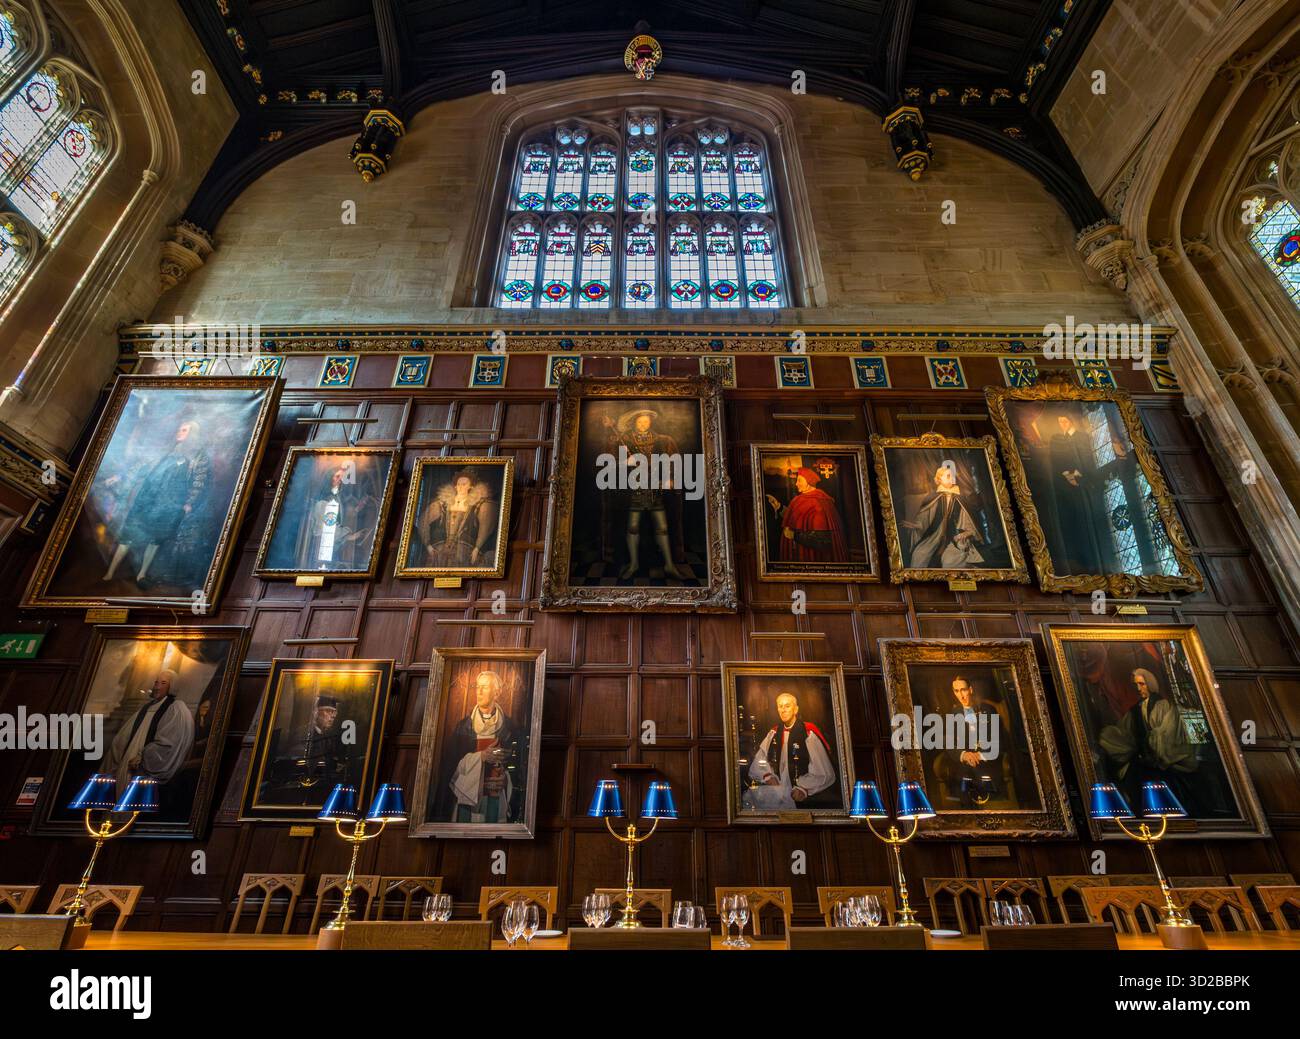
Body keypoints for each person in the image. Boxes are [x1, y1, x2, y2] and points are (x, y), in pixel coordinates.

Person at [102, 418, 211, 586]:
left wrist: (188, 504)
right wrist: (120, 476)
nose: (179, 432)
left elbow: (198, 483)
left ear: (193, 434)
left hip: (170, 505)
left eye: (184, 430)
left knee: (156, 539)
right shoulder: (166, 450)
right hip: (147, 499)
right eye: (180, 429)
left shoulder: (198, 456)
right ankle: (110, 572)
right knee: (128, 535)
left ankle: (142, 574)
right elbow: (142, 465)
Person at [1098, 667, 1199, 811]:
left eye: (1142, 684)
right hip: (1143, 762)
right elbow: (1125, 732)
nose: (1138, 688)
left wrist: (1148, 743)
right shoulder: (1135, 710)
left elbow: (1167, 734)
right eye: (1136, 685)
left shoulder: (1163, 705)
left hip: (1161, 764)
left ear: (1150, 683)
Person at [602, 409, 684, 579]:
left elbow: (674, 463)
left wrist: (670, 479)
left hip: (656, 490)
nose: (643, 425)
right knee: (632, 528)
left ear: (651, 423)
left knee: (662, 528)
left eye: (646, 422)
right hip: (635, 490)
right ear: (634, 423)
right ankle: (633, 564)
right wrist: (626, 462)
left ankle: (669, 565)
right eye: (640, 422)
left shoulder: (663, 440)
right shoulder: (623, 440)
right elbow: (608, 464)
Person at [102, 669, 195, 810]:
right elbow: (122, 739)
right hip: (126, 764)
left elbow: (168, 743)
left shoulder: (176, 708)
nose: (157, 686)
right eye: (156, 682)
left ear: (172, 686)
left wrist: (143, 756)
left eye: (163, 683)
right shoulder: (146, 708)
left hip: (142, 768)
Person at [443, 670, 521, 824]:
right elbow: (449, 766)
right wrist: (481, 757)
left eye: (484, 687)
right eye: (477, 687)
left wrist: (506, 780)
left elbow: (518, 766)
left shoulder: (510, 728)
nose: (479, 691)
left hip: (497, 795)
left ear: (496, 692)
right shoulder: (463, 727)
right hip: (468, 796)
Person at [1045, 412, 1113, 575]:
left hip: (1085, 483)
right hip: (1069, 487)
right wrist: (1066, 475)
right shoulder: (1059, 440)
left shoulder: (1081, 437)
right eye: (1059, 421)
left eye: (1064, 420)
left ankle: (1100, 563)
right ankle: (1084, 563)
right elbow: (1058, 462)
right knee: (1077, 524)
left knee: (1090, 521)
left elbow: (1087, 458)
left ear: (1070, 420)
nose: (1062, 424)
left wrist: (1077, 473)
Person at [745, 692, 835, 810]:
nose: (783, 710)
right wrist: (767, 776)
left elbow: (823, 771)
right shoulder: (774, 732)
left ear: (796, 709)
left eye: (787, 706)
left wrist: (804, 788)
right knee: (748, 799)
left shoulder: (807, 732)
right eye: (780, 706)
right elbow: (759, 760)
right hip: (778, 789)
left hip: (799, 793)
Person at [265, 693, 356, 805]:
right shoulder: (303, 734)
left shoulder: (329, 737)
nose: (333, 716)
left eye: (334, 712)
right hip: (298, 790)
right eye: (328, 711)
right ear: (315, 712)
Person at [291, 460, 375, 570]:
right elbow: (328, 528)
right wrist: (351, 536)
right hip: (323, 550)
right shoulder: (323, 503)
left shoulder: (337, 498)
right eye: (337, 476)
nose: (340, 480)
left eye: (342, 477)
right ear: (329, 479)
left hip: (332, 548)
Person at [903, 464, 985, 569]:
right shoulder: (932, 498)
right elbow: (924, 518)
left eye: (952, 476)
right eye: (948, 476)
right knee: (919, 555)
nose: (951, 478)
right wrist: (916, 525)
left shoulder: (960, 499)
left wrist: (965, 533)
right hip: (933, 536)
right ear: (939, 479)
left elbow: (967, 522)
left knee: (950, 561)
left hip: (953, 536)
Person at [417, 468, 499, 569]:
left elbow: (485, 527)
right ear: (455, 486)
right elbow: (422, 522)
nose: (460, 487)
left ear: (471, 486)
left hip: (464, 550)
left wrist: (477, 548)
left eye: (464, 484)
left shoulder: (478, 505)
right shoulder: (441, 503)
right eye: (459, 484)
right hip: (440, 550)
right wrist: (428, 545)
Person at [940, 676, 1003, 806]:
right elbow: (949, 744)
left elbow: (999, 741)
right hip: (964, 766)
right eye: (956, 691)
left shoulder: (989, 710)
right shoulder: (952, 715)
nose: (961, 695)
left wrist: (978, 755)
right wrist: (964, 755)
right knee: (961, 783)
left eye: (963, 690)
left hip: (988, 762)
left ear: (971, 690)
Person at [764, 466, 847, 564]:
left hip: (811, 556)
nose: (796, 484)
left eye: (799, 480)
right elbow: (797, 518)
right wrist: (779, 506)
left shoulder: (818, 503)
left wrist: (794, 535)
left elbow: (822, 541)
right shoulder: (801, 499)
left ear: (809, 481)